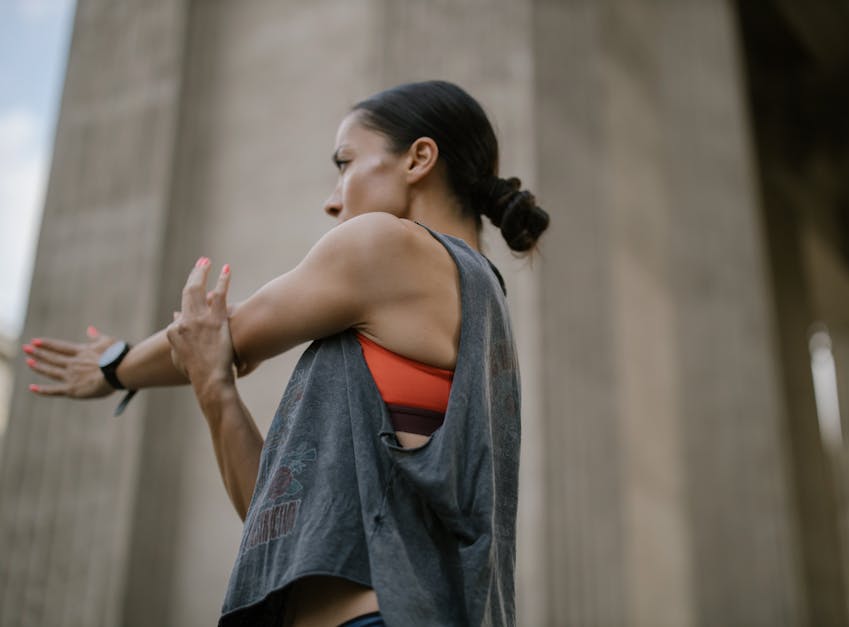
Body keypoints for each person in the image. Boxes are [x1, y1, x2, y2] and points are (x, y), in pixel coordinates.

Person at [25, 80, 549, 627]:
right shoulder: (481, 307)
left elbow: (224, 332)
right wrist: (215, 389)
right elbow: (275, 520)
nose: (332, 198)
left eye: (345, 163)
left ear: (418, 159)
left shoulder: (390, 245)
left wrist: (117, 366)